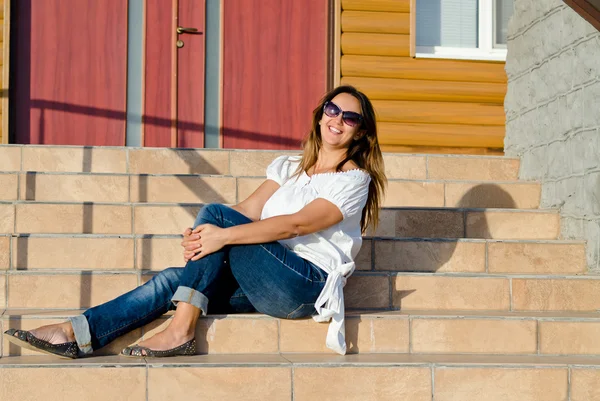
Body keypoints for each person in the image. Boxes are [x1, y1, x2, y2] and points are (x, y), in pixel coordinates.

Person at [5, 85, 386, 358]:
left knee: (218, 219)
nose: (337, 120)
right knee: (176, 275)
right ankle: (76, 333)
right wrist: (204, 237)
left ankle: (180, 330)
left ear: (360, 131)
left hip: (304, 286)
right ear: (321, 114)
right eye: (332, 110)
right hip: (264, 277)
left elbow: (297, 225)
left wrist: (221, 235)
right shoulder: (290, 167)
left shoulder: (354, 180)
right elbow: (248, 209)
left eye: (349, 117)